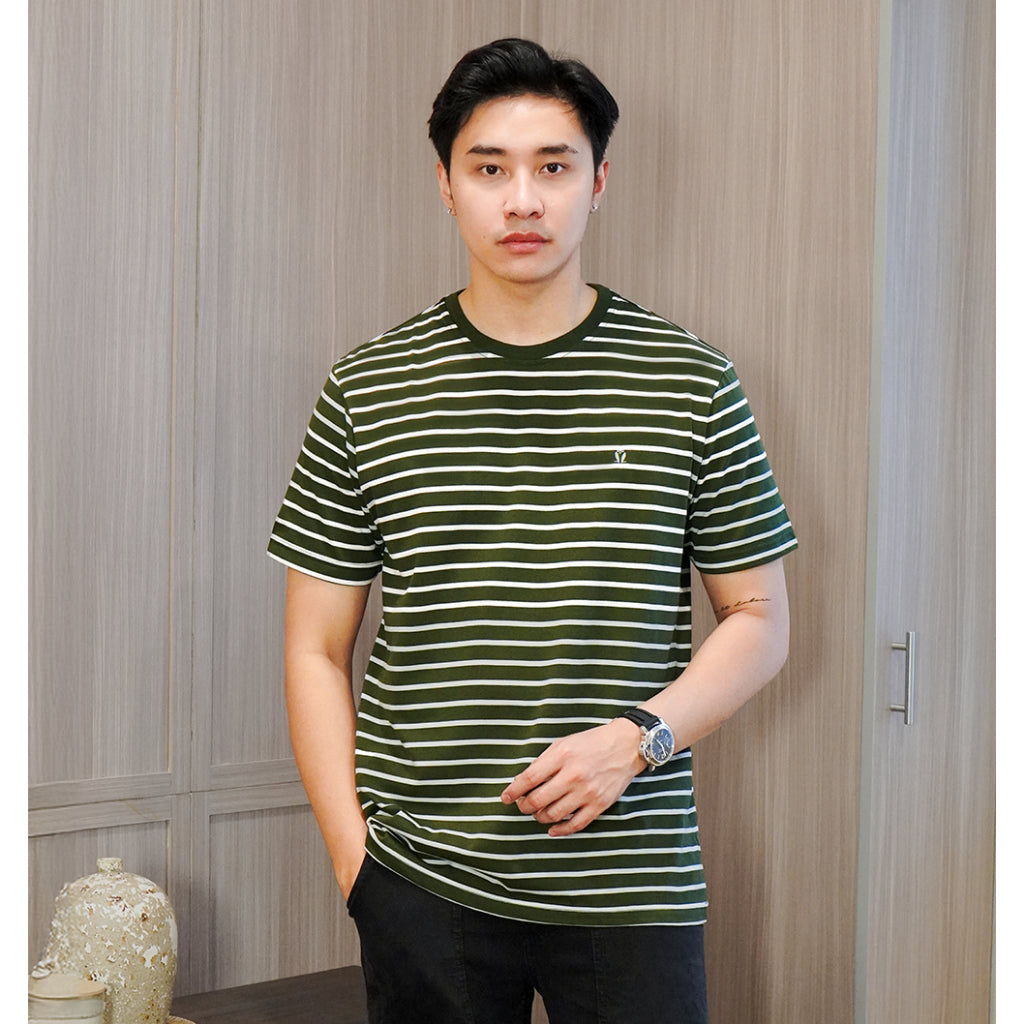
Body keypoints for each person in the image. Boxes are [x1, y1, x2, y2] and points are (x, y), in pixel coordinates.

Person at [268, 37, 797, 1024]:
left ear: (599, 183)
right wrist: (355, 859)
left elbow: (760, 620)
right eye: (489, 169)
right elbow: (314, 648)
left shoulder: (689, 381)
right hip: (422, 876)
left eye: (553, 167)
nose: (522, 200)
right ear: (445, 185)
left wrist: (637, 740)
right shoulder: (367, 388)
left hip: (631, 879)